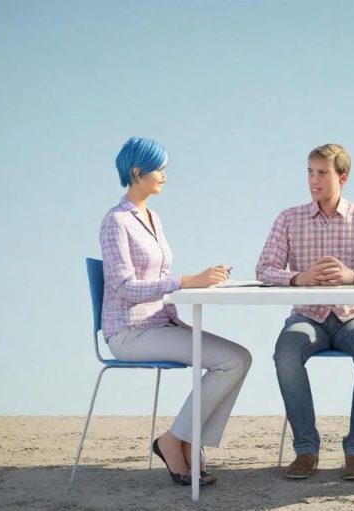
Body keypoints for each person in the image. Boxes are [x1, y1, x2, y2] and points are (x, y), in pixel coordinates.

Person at [99, 137, 252, 486]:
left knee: (239, 357)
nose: (165, 175)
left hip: (158, 324)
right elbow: (124, 286)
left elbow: (157, 281)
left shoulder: (152, 216)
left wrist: (191, 291)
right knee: (231, 361)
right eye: (159, 168)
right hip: (129, 332)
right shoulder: (115, 222)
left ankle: (183, 439)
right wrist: (185, 281)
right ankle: (175, 442)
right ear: (137, 172)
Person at [256, 143, 354, 480]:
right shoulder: (288, 219)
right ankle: (306, 449)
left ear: (343, 177)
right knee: (285, 353)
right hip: (308, 316)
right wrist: (299, 278)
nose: (313, 180)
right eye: (310, 172)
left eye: (322, 173)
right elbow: (264, 269)